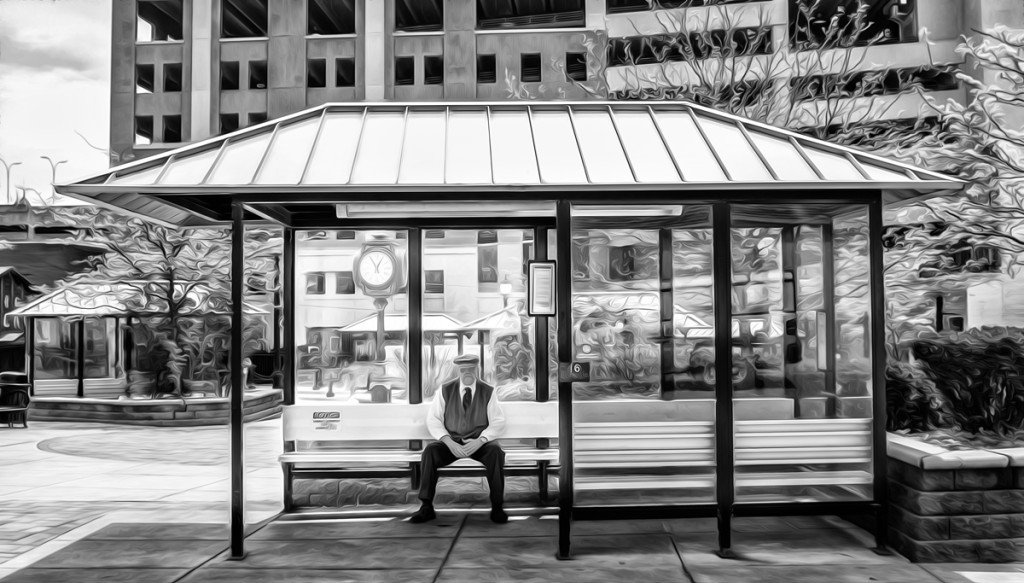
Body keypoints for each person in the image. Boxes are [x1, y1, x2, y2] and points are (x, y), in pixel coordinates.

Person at [409, 353, 508, 524]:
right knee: (430, 452)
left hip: (478, 443)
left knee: (496, 452)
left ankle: (497, 507)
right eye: (463, 370)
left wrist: (481, 441)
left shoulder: (488, 391)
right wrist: (447, 441)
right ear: (458, 371)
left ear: (477, 369)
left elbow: (498, 421)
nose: (467, 373)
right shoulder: (445, 390)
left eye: (471, 369)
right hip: (452, 443)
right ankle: (426, 506)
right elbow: (433, 419)